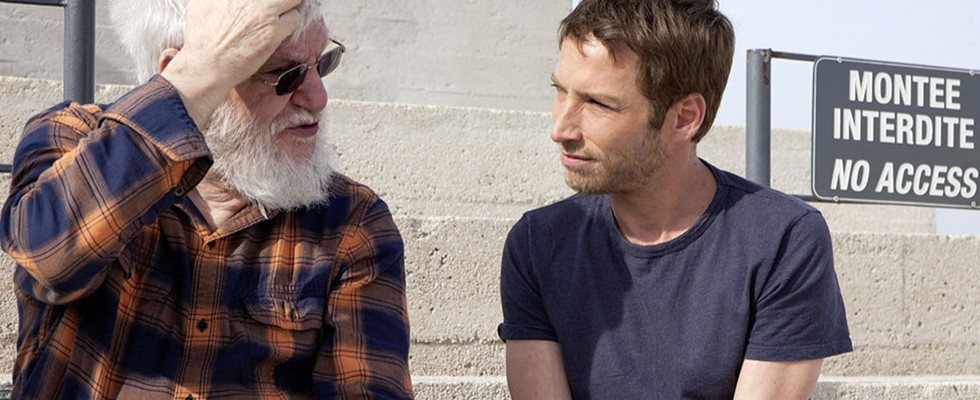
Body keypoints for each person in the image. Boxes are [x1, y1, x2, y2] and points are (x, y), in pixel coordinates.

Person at [0, 0, 413, 398]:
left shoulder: (350, 220)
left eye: (322, 64)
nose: (318, 98)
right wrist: (193, 77)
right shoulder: (74, 144)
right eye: (284, 75)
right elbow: (46, 255)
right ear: (185, 76)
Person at [497, 0, 852, 398]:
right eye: (560, 91)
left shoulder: (782, 239)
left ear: (684, 117)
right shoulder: (539, 244)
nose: (560, 129)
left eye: (598, 104)